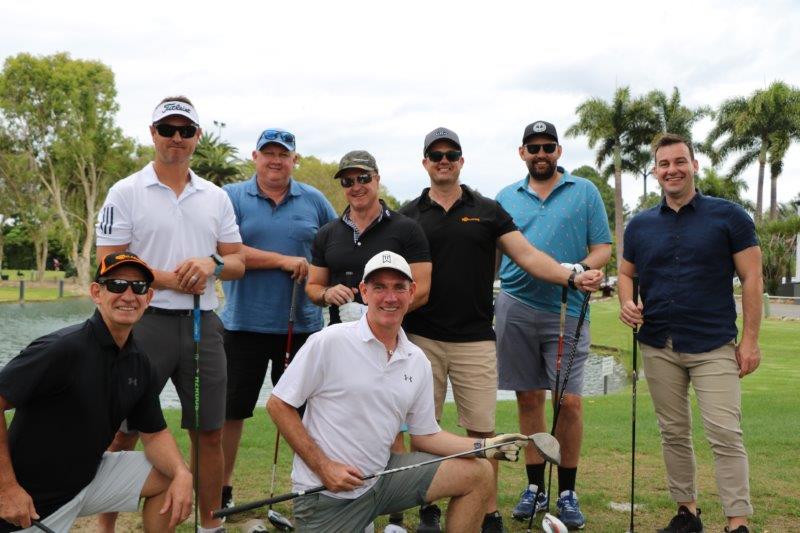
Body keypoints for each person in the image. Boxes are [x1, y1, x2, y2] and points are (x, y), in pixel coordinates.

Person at [401, 127, 604, 533]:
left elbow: (527, 256)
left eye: (451, 154)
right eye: (435, 155)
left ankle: (488, 511)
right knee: (425, 427)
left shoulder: (488, 209)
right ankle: (429, 507)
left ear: (461, 160)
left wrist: (569, 277)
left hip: (475, 338)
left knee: (483, 431)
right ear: (425, 162)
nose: (443, 160)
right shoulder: (407, 216)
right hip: (421, 337)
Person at [268, 250, 531, 532]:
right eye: (379, 287)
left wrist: (487, 446)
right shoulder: (329, 341)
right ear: (364, 292)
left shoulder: (416, 359)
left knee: (479, 473)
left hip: (383, 478)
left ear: (412, 292)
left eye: (399, 287)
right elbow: (278, 405)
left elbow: (427, 435)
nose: (390, 297)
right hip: (326, 494)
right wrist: (324, 467)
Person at [95, 96, 245, 532]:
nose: (176, 138)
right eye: (167, 129)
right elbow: (108, 263)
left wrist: (210, 264)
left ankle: (210, 526)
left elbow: (236, 261)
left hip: (203, 325)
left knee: (210, 432)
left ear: (197, 137)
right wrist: (169, 278)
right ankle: (105, 525)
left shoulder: (215, 197)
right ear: (153, 133)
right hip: (143, 324)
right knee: (124, 430)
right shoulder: (125, 191)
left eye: (185, 131)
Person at [618, 133, 762, 533]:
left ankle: (737, 521)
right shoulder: (640, 224)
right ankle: (687, 513)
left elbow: (752, 278)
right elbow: (626, 273)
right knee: (673, 432)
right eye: (664, 165)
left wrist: (750, 341)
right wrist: (626, 302)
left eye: (679, 161)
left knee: (724, 432)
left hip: (713, 343)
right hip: (658, 343)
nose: (672, 170)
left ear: (694, 165)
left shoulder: (730, 216)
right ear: (655, 171)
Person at [0, 252, 193, 532]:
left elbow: (154, 434)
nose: (128, 295)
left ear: (148, 298)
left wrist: (182, 473)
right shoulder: (62, 348)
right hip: (30, 502)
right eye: (116, 285)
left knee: (168, 476)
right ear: (96, 293)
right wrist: (6, 488)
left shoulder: (139, 362)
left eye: (138, 287)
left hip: (88, 478)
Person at [494, 120, 612, 529]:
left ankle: (566, 490)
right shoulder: (506, 196)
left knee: (569, 402)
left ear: (559, 151)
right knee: (529, 400)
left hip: (567, 307)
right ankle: (534, 487)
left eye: (548, 147)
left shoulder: (584, 192)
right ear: (522, 153)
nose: (540, 154)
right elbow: (495, 254)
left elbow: (603, 248)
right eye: (533, 147)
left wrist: (582, 268)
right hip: (515, 305)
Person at [306, 150, 431, 531]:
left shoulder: (406, 228)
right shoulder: (329, 232)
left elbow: (421, 287)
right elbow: (313, 285)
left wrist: (381, 311)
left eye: (363, 178)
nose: (356, 187)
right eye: (348, 180)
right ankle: (348, 504)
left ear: (377, 179)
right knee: (346, 423)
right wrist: (327, 294)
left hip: (388, 336)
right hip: (339, 339)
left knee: (390, 424)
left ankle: (392, 516)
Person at [219, 128, 337, 511]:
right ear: (254, 156)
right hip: (242, 326)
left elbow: (334, 248)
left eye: (283, 154)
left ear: (294, 159)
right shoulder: (231, 197)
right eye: (268, 153)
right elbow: (225, 251)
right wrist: (283, 260)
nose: (275, 160)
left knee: (308, 414)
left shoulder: (315, 200)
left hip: (301, 328)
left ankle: (314, 487)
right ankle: (222, 490)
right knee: (232, 412)